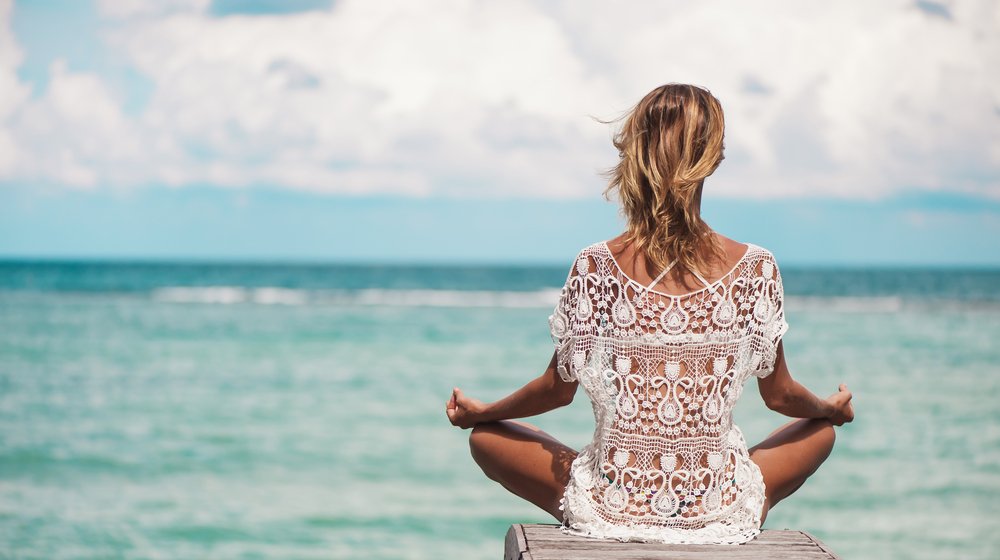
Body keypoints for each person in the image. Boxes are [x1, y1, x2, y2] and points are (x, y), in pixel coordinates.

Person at [445, 83, 854, 545]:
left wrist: (485, 411)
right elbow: (780, 397)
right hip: (715, 503)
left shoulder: (596, 264)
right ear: (714, 159)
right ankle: (715, 509)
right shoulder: (756, 267)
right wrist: (828, 408)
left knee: (486, 438)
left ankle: (623, 499)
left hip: (614, 504)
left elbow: (556, 392)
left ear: (634, 153)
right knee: (819, 432)